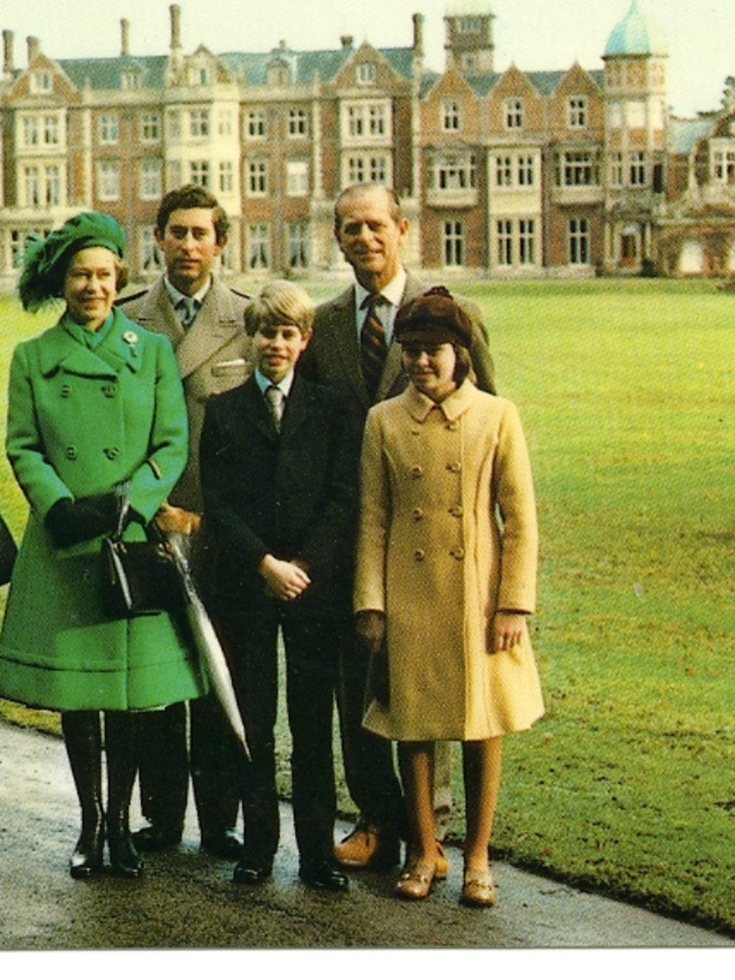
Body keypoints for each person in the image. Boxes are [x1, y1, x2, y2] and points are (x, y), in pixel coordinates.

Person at [0, 211, 206, 880]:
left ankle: (121, 823)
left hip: (130, 542)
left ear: (120, 279)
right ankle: (90, 824)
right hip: (66, 543)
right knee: (82, 700)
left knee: (129, 695)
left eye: (104, 275)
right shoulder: (32, 358)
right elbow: (22, 444)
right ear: (63, 281)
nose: (93, 287)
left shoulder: (153, 352)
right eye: (81, 275)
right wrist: (60, 506)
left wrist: (128, 503)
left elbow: (172, 443)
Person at [301, 183, 497, 873]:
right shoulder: (322, 325)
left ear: (403, 228)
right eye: (350, 228)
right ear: (337, 237)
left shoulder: (451, 313)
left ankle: (431, 831)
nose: (365, 239)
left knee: (433, 678)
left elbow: (486, 421)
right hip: (349, 534)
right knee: (358, 684)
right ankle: (377, 817)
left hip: (436, 542)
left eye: (376, 225)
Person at [353, 286, 542, 907]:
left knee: (483, 724)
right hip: (409, 593)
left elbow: (519, 518)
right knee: (413, 724)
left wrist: (513, 603)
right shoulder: (383, 420)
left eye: (433, 351)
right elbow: (374, 518)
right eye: (410, 351)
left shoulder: (496, 415)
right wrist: (371, 601)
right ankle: (423, 850)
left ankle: (478, 858)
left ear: (460, 353)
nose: (420, 363)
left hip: (479, 596)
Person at [198, 281, 359, 890]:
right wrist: (265, 564)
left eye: (289, 334)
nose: (276, 344)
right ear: (252, 336)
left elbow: (343, 498)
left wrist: (304, 567)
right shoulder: (227, 408)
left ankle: (317, 852)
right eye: (267, 332)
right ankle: (258, 846)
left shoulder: (330, 407)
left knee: (312, 725)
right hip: (250, 583)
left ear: (305, 341)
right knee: (255, 720)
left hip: (312, 588)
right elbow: (219, 500)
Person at [118, 184, 250, 858]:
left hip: (220, 528)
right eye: (178, 233)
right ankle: (161, 816)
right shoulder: (126, 316)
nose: (189, 246)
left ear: (221, 242)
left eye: (202, 234)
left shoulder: (248, 320)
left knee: (216, 668)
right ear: (159, 240)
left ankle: (220, 818)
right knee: (157, 676)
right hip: (148, 525)